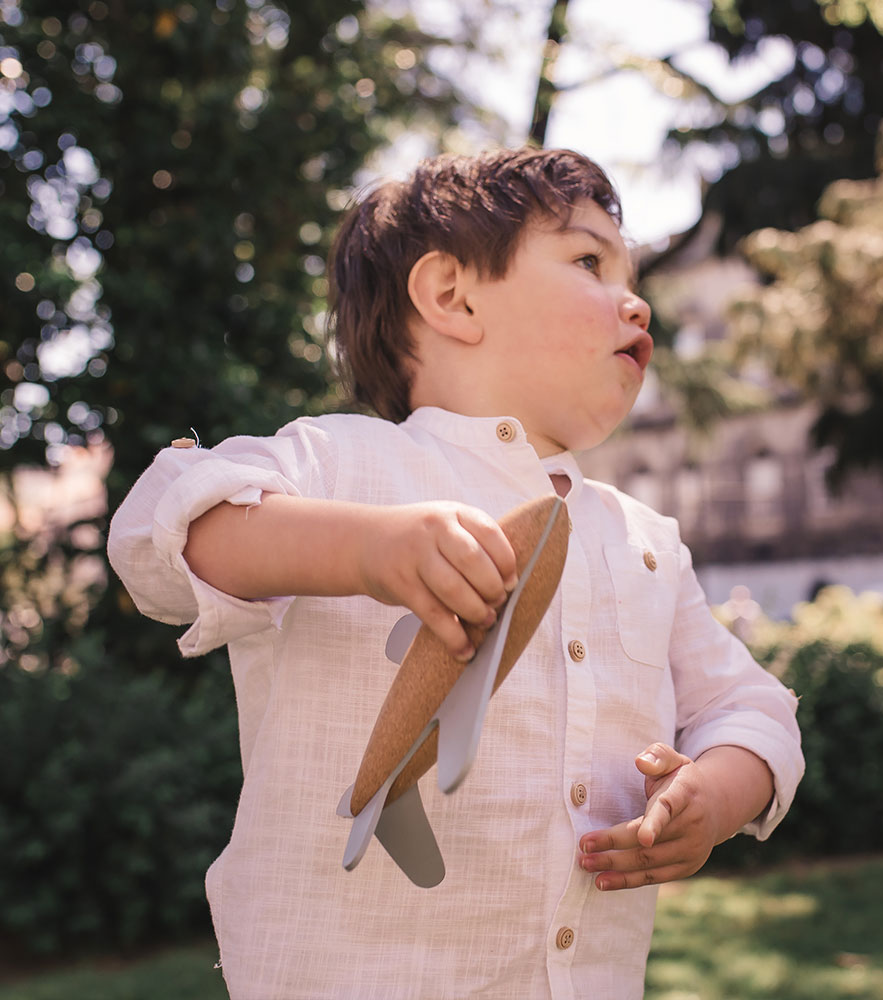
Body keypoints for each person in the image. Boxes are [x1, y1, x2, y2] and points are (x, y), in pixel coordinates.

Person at [108, 147, 803, 1000]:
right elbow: (157, 531)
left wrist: (715, 795)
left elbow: (752, 707)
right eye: (590, 261)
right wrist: (364, 551)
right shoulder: (343, 466)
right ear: (452, 298)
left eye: (632, 272)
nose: (637, 300)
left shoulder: (646, 540)